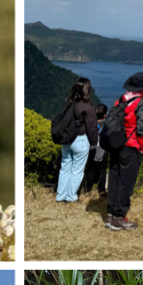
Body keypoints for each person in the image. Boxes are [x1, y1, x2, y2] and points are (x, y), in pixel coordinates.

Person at [103, 71, 143, 231]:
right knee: (126, 182)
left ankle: (111, 215)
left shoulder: (120, 99)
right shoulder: (141, 102)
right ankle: (119, 217)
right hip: (131, 146)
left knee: (114, 178)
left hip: (115, 144)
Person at [54, 75, 98, 203]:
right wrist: (94, 143)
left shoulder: (68, 103)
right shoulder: (87, 107)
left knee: (65, 166)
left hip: (67, 139)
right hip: (80, 140)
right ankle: (71, 197)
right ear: (86, 90)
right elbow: (91, 128)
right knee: (77, 170)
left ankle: (60, 196)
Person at [80, 102, 111, 202]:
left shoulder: (90, 124)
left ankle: (87, 189)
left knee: (90, 170)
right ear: (105, 115)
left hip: (91, 149)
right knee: (102, 170)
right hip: (103, 150)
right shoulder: (107, 126)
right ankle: (101, 191)